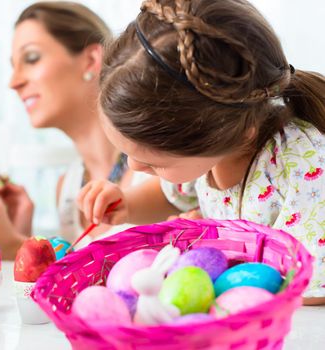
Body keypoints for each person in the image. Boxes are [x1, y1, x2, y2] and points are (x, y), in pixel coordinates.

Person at [77, 0, 325, 304]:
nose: (134, 166)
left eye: (156, 164)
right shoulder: (208, 155)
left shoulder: (300, 163)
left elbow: (313, 284)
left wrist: (218, 274)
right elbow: (172, 193)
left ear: (225, 134)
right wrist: (128, 204)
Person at [0, 1, 150, 258]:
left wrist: (14, 246)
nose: (13, 82)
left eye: (31, 58)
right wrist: (20, 234)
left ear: (90, 60)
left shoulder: (156, 163)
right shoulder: (67, 188)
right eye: (13, 66)